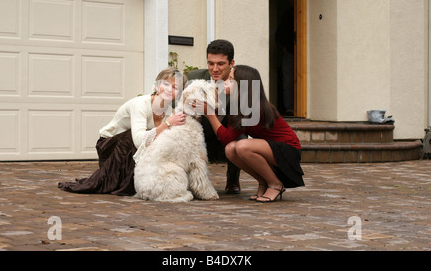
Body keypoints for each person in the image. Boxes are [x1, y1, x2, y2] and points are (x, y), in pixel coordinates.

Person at [58, 67, 188, 195]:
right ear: (156, 85)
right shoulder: (141, 104)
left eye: (175, 87)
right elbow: (138, 141)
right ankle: (122, 181)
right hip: (110, 146)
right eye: (165, 84)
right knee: (131, 136)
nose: (169, 89)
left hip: (134, 151)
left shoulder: (170, 113)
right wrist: (167, 124)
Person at [201, 65, 304, 203]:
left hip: (289, 150)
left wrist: (210, 114)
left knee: (242, 146)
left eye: (231, 79)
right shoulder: (238, 104)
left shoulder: (250, 107)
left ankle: (276, 184)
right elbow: (228, 140)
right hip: (271, 149)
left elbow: (225, 137)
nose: (225, 81)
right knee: (231, 149)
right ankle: (264, 182)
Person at [187, 39, 243, 194]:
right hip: (202, 133)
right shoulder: (195, 77)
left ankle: (233, 180)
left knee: (241, 139)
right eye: (211, 63)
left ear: (231, 63)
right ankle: (191, 181)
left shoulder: (241, 82)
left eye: (220, 64)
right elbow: (179, 107)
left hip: (229, 133)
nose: (215, 69)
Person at [275, 0, 295, 116]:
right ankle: (290, 109)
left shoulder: (304, 13)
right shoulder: (287, 14)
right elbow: (279, 33)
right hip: (289, 52)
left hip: (300, 53)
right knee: (288, 82)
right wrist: (282, 47)